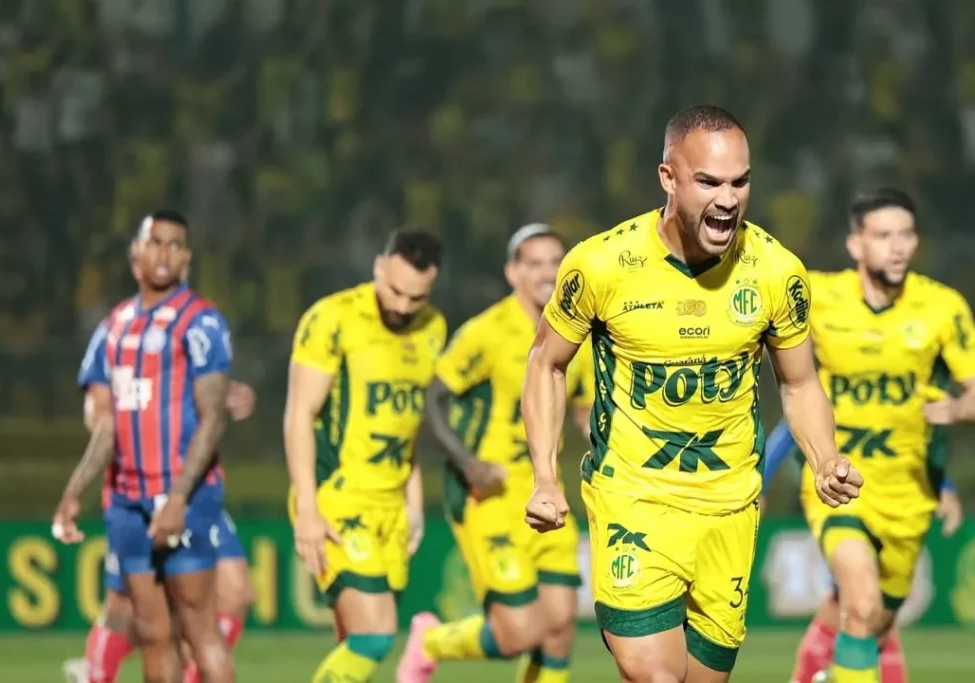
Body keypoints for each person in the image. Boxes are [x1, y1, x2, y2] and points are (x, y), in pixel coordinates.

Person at [517, 105, 860, 683]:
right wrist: (546, 478)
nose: (728, 199)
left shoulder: (777, 272)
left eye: (740, 182)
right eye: (709, 182)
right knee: (656, 676)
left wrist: (825, 457)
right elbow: (546, 363)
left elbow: (799, 382)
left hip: (729, 507)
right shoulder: (601, 264)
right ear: (668, 178)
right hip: (635, 500)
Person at [761, 188, 975, 683]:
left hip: (909, 494)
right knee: (860, 603)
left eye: (905, 235)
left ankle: (814, 674)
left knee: (873, 623)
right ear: (856, 245)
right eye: (883, 236)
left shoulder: (942, 307)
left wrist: (960, 409)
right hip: (840, 482)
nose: (897, 247)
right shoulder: (818, 296)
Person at [398, 224, 595, 683]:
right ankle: (430, 643)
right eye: (535, 263)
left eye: (555, 262)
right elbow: (434, 397)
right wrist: (468, 464)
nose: (548, 272)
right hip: (488, 492)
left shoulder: (579, 332)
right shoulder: (487, 331)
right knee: (519, 634)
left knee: (561, 627)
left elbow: (583, 407)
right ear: (513, 272)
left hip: (544, 489)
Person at [52, 210, 236, 683]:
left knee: (198, 629)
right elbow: (110, 423)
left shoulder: (201, 322)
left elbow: (213, 416)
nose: (165, 253)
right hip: (128, 502)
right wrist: (75, 489)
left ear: (188, 258)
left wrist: (177, 498)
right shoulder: (115, 327)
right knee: (153, 632)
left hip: (184, 496)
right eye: (155, 242)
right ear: (135, 253)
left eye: (176, 245)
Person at [285, 230, 446, 683]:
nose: (402, 306)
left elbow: (409, 425)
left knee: (353, 641)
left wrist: (414, 505)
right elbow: (299, 414)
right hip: (338, 499)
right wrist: (308, 509)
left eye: (417, 297)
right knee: (375, 635)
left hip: (391, 508)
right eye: (395, 290)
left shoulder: (433, 328)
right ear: (379, 268)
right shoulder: (332, 319)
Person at [761, 418, 964, 683]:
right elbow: (792, 425)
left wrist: (943, 484)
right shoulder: (827, 382)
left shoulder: (896, 390)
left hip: (892, 506)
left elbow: (909, 436)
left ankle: (822, 673)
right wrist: (760, 484)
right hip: (843, 503)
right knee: (858, 601)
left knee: (864, 609)